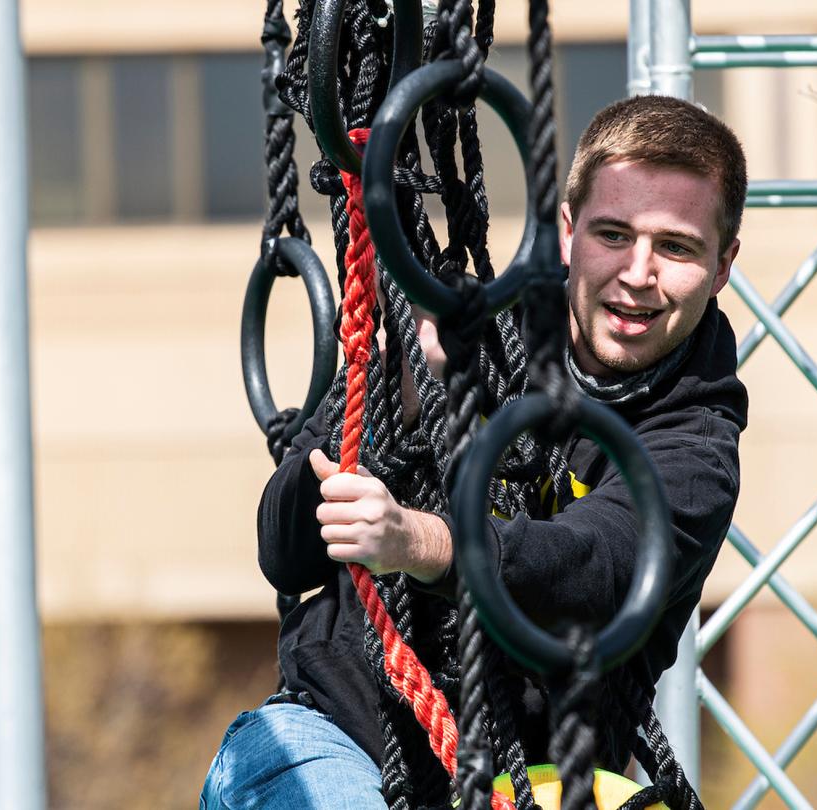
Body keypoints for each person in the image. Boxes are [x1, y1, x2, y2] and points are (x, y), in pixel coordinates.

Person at [202, 94, 751, 810]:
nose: (638, 273)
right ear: (565, 233)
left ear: (722, 265)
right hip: (338, 738)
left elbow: (597, 568)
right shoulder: (469, 329)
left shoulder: (695, 440)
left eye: (675, 247)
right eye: (612, 234)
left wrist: (419, 541)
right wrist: (399, 396)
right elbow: (284, 549)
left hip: (530, 787)